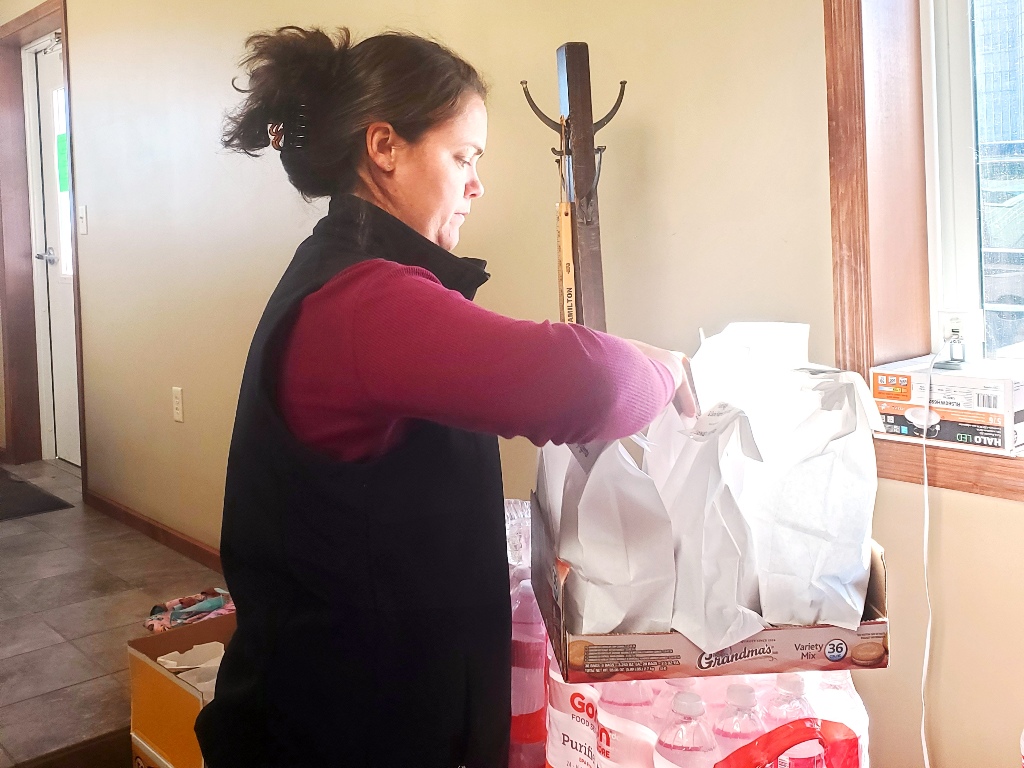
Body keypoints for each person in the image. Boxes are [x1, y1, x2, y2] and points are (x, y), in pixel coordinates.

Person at [194, 26, 696, 768]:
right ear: (385, 147)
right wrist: (666, 371)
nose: (476, 184)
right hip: (334, 732)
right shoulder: (366, 304)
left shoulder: (354, 279)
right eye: (463, 157)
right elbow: (585, 386)